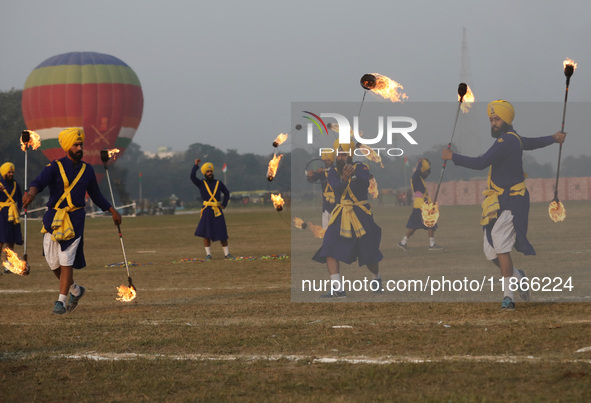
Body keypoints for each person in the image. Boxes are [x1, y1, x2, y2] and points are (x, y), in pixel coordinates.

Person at [441, 100, 566, 311]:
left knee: (500, 246)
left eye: (497, 118)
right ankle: (518, 275)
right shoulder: (511, 139)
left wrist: (453, 157)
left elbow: (481, 163)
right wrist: (553, 139)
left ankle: (508, 297)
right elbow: (530, 142)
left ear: (507, 119)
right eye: (491, 119)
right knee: (490, 252)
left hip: (512, 201)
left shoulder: (507, 140)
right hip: (497, 201)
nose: (493, 123)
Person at [22, 128, 121, 315]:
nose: (79, 147)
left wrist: (112, 210)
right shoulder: (54, 167)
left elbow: (96, 195)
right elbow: (38, 183)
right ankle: (76, 290)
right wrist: (31, 194)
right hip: (53, 218)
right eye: (75, 145)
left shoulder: (88, 170)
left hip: (75, 219)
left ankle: (61, 301)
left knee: (66, 259)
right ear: (67, 147)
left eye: (81, 144)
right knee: (53, 263)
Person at [312, 139, 383, 298]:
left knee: (368, 254)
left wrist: (354, 175)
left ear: (350, 155)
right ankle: (338, 288)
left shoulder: (362, 168)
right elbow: (336, 187)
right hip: (340, 215)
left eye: (344, 154)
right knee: (329, 247)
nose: (340, 157)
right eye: (339, 154)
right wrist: (344, 178)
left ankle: (376, 277)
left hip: (360, 214)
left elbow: (364, 183)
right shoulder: (332, 172)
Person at [397, 158, 443, 252]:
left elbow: (425, 172)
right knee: (431, 223)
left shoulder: (420, 178)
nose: (427, 173)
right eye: (426, 171)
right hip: (422, 204)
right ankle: (432, 244)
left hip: (421, 204)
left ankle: (403, 242)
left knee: (414, 226)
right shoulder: (416, 176)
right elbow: (421, 169)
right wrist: (422, 162)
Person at [190, 159, 231, 260]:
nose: (209, 173)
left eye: (211, 171)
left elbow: (227, 193)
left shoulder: (219, 183)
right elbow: (192, 177)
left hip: (217, 210)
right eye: (207, 172)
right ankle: (208, 255)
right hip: (207, 210)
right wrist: (195, 166)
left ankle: (227, 254)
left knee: (222, 233)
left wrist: (224, 204)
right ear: (204, 173)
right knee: (206, 233)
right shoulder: (201, 183)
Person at [0, 162, 23, 273]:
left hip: (13, 215)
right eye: (9, 172)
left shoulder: (15, 184)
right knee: (0, 241)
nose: (11, 174)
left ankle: (8, 264)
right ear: (4, 173)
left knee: (11, 241)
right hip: (2, 214)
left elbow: (19, 196)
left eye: (12, 172)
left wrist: (19, 207)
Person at [306, 152, 336, 229]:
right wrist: (310, 176)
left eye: (328, 160)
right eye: (325, 161)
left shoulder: (337, 170)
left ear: (332, 161)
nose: (326, 162)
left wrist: (326, 170)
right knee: (326, 229)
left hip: (338, 204)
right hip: (326, 204)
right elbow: (312, 179)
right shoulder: (321, 172)